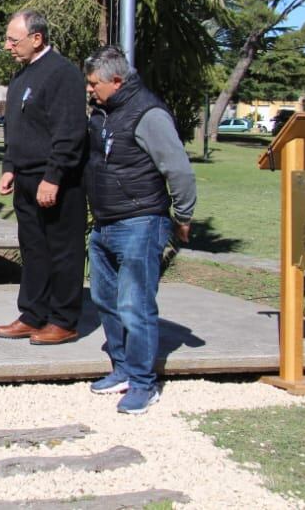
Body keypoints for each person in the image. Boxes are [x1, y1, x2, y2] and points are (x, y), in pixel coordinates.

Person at [83, 46, 196, 415]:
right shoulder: (104, 112)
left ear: (116, 81)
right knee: (104, 298)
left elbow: (177, 169)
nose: (89, 90)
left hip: (141, 221)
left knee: (135, 305)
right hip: (104, 223)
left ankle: (144, 384)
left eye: (94, 84)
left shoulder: (149, 114)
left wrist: (183, 216)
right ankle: (123, 370)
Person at [0, 10, 88, 345]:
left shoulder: (62, 74)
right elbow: (15, 128)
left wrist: (54, 176)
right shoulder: (22, 77)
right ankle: (33, 314)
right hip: (26, 178)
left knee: (63, 250)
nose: (7, 46)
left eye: (12, 39)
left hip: (56, 180)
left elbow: (70, 131)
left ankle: (63, 320)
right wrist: (9, 165)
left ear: (37, 38)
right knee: (33, 248)